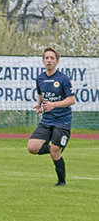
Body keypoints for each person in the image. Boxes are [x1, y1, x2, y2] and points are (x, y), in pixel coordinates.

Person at [26, 47, 75, 187]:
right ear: (43, 61)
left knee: (54, 152)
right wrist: (38, 104)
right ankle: (56, 147)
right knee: (32, 147)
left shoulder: (63, 79)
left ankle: (61, 182)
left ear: (57, 61)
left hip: (62, 121)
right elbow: (40, 93)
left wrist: (54, 104)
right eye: (46, 58)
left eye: (52, 58)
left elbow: (72, 100)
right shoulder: (40, 78)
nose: (49, 60)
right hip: (47, 120)